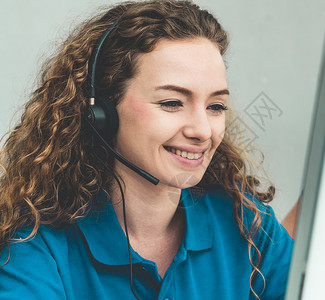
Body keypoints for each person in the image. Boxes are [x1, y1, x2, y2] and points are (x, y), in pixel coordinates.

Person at [0, 1, 293, 299]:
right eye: (171, 103)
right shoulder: (36, 245)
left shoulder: (247, 223)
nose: (203, 131)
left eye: (215, 106)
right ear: (102, 113)